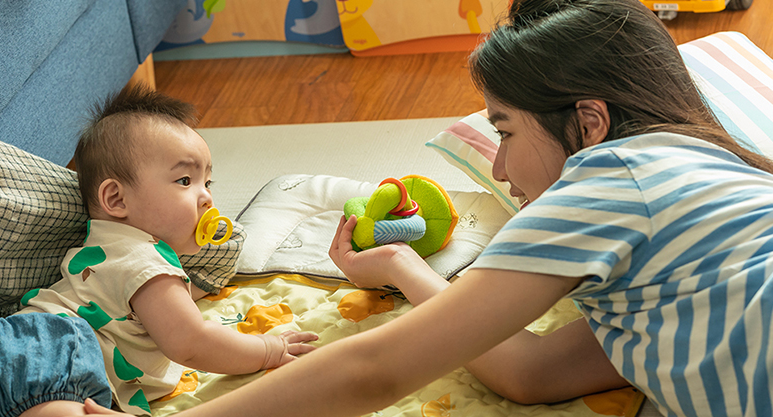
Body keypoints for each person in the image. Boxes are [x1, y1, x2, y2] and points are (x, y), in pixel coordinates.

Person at [82, 0, 773, 416]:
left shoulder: (615, 171)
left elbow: (373, 369)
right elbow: (534, 374)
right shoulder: (685, 248)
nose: (499, 170)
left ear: (589, 123)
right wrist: (404, 267)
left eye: (504, 130)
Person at [0, 85, 318, 417]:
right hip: (50, 345)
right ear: (117, 199)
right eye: (185, 181)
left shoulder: (108, 247)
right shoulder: (145, 259)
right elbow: (192, 342)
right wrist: (267, 350)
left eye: (207, 182)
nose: (207, 197)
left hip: (3, 354)